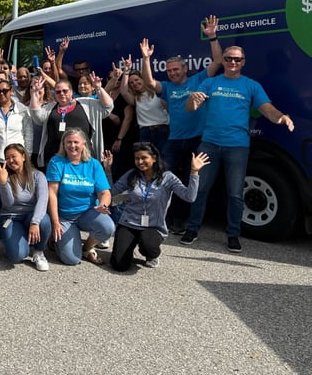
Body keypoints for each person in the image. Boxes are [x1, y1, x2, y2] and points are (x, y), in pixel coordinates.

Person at [182, 45, 294, 252]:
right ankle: (192, 228)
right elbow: (191, 108)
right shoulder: (210, 83)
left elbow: (267, 109)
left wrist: (281, 117)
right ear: (223, 61)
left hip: (237, 147)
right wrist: (192, 100)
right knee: (200, 189)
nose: (232, 62)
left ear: (243, 62)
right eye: (228, 58)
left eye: (237, 59)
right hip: (209, 144)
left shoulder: (251, 86)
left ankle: (233, 234)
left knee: (235, 193)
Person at [139, 16, 222, 232]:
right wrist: (146, 59)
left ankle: (186, 222)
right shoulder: (167, 87)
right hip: (174, 140)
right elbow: (149, 83)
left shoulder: (198, 80)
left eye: (176, 69)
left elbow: (217, 62)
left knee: (190, 180)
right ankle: (163, 217)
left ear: (185, 69)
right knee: (163, 177)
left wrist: (212, 37)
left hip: (197, 140)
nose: (173, 73)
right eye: (169, 70)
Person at [110, 143, 209, 271]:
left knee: (148, 245)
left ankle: (151, 255)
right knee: (119, 265)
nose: (140, 162)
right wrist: (108, 171)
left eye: (144, 158)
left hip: (153, 226)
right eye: (137, 158)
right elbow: (112, 192)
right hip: (129, 223)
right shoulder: (132, 175)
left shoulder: (168, 177)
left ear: (154, 158)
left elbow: (189, 197)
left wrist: (194, 172)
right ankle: (128, 249)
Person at [46, 127, 115, 266]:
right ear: (63, 144)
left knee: (108, 227)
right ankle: (56, 239)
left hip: (87, 213)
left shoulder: (94, 164)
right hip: (65, 216)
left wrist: (103, 204)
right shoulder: (56, 162)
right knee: (71, 260)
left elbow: (105, 192)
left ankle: (87, 248)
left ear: (84, 144)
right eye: (69, 142)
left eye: (76, 142)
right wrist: (55, 222)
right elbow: (52, 194)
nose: (72, 145)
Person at [29, 75, 113, 169]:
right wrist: (34, 93)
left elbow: (108, 107)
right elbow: (37, 117)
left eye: (65, 91)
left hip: (83, 158)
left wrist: (98, 88)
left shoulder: (86, 104)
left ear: (71, 91)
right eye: (58, 92)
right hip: (55, 159)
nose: (62, 94)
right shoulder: (49, 107)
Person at [0, 143, 52, 271]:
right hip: (10, 217)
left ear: (23, 156)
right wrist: (3, 183)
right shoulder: (5, 176)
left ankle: (38, 252)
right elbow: (8, 203)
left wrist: (35, 222)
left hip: (30, 216)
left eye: (13, 156)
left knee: (44, 220)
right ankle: (19, 241)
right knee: (17, 256)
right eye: (7, 158)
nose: (10, 160)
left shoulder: (38, 176)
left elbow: (43, 200)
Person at [119, 57, 170, 150]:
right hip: (145, 132)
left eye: (137, 80)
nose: (135, 83)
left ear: (143, 79)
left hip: (162, 130)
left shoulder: (157, 92)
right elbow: (124, 92)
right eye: (131, 83)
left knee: (164, 158)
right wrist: (126, 71)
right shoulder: (136, 98)